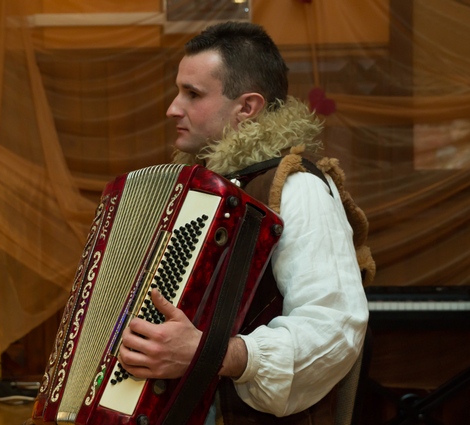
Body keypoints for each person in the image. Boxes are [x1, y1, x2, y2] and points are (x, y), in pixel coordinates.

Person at [118, 21, 371, 424]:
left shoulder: (296, 187)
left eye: (192, 94)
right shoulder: (199, 190)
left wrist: (212, 354)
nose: (172, 108)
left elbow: (334, 329)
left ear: (247, 108)